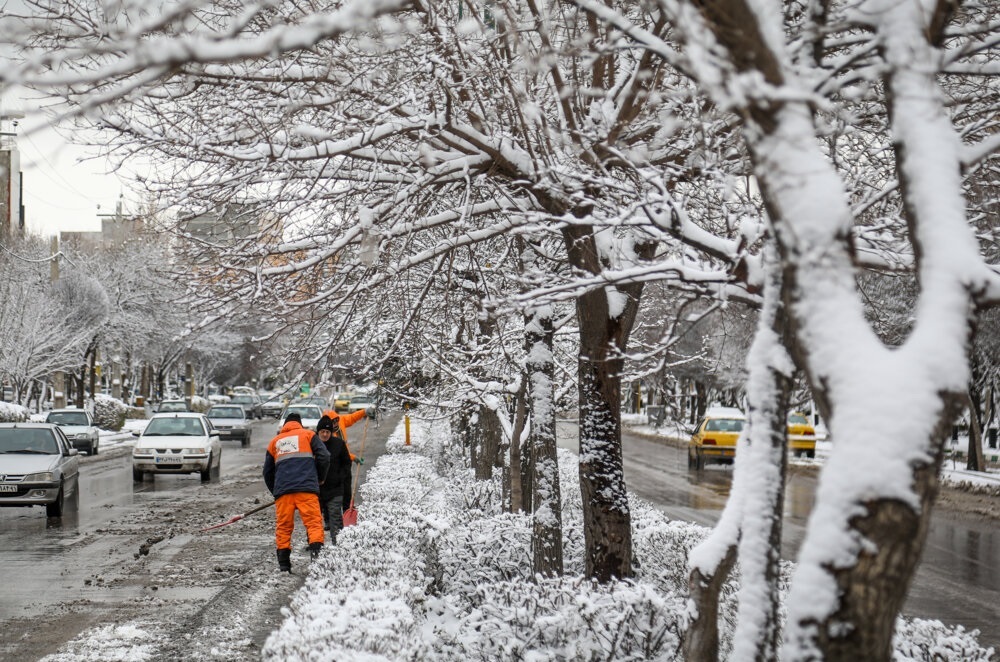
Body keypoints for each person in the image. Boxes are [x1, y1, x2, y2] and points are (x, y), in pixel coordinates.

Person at [263, 412, 330, 572]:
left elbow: (267, 471)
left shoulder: (274, 442)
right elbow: (325, 456)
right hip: (306, 490)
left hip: (283, 493)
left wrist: (276, 491)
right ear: (299, 424)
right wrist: (319, 478)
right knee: (313, 523)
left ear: (285, 425)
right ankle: (316, 560)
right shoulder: (308, 435)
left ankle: (284, 565)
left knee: (284, 527)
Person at [315, 415, 352, 541]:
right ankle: (315, 544)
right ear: (318, 432)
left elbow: (347, 463)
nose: (325, 434)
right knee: (314, 520)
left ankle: (338, 545)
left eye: (327, 432)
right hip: (316, 490)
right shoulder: (312, 444)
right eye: (322, 432)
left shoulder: (339, 444)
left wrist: (339, 477)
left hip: (335, 489)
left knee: (335, 518)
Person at [322, 408, 368, 511]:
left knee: (347, 487)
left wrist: (364, 411)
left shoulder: (341, 421)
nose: (335, 424)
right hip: (333, 466)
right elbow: (336, 453)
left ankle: (347, 510)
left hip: (345, 463)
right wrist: (353, 457)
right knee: (336, 489)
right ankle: (332, 513)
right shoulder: (326, 435)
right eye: (332, 422)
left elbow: (352, 417)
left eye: (335, 421)